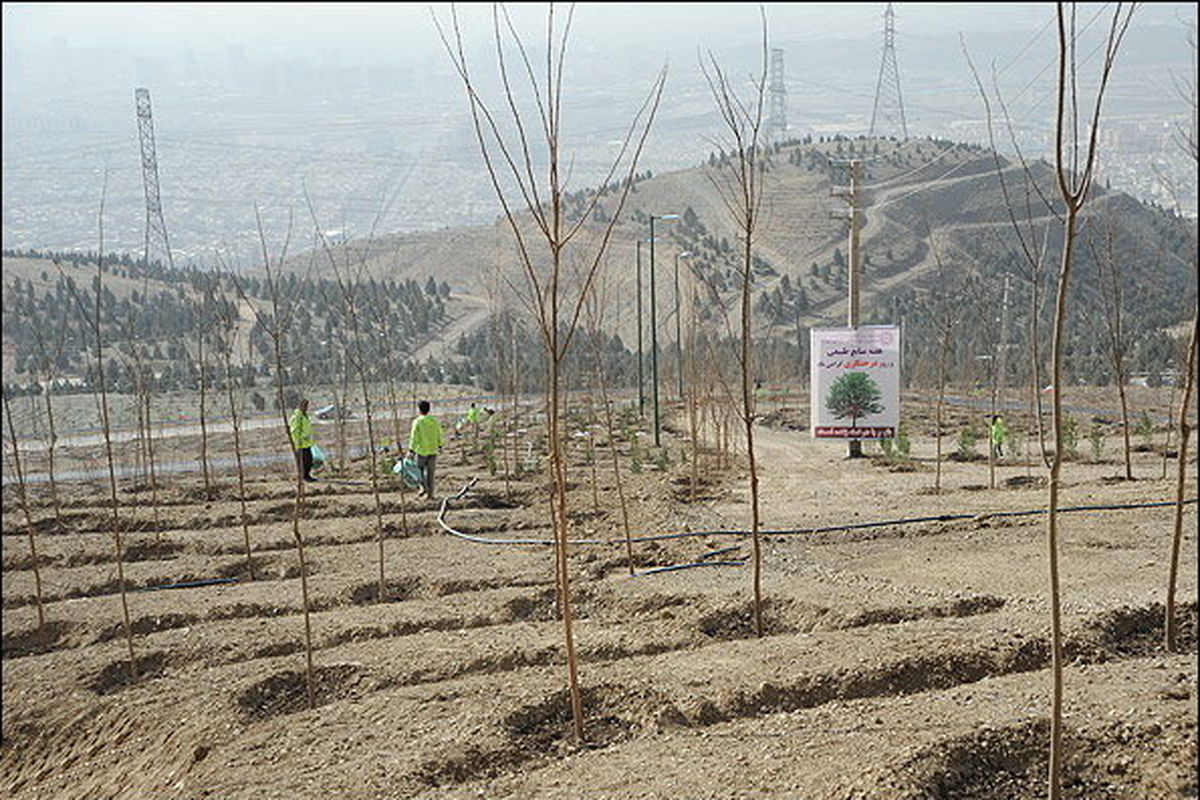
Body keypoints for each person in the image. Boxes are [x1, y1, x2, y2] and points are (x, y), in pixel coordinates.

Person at [408, 399, 444, 499]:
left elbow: (414, 436)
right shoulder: (435, 421)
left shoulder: (417, 422)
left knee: (419, 471)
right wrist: (440, 445)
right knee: (431, 474)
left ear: (419, 409)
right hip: (433, 450)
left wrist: (411, 449)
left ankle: (423, 488)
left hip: (421, 451)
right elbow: (439, 433)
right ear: (429, 409)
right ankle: (430, 495)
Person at [290, 398, 317, 482]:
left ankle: (306, 475)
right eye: (306, 406)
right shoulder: (297, 416)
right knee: (305, 461)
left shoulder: (304, 415)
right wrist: (302, 437)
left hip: (306, 443)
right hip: (301, 443)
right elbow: (294, 430)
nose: (307, 408)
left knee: (309, 460)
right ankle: (304, 476)